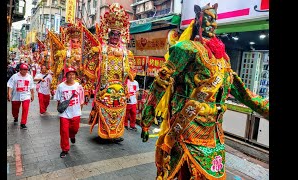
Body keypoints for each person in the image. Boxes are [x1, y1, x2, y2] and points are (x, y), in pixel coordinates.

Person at [140, 3, 269, 179]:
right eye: (209, 20)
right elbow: (161, 81)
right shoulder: (187, 49)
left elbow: (242, 92)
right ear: (198, 21)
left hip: (214, 132)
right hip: (188, 127)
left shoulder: (223, 60)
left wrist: (265, 108)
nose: (213, 25)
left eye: (215, 21)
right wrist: (147, 118)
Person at [84, 3, 137, 142]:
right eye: (112, 33)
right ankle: (106, 133)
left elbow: (132, 73)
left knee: (119, 111)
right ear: (108, 34)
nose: (115, 36)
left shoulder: (127, 52)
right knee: (105, 109)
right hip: (105, 88)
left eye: (117, 34)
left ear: (121, 35)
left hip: (120, 89)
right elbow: (90, 68)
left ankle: (116, 134)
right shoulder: (101, 50)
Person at [54, 67, 84, 158]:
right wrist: (59, 110)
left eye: (73, 74)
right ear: (66, 76)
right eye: (69, 74)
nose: (71, 76)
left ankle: (72, 135)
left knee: (75, 129)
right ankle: (65, 149)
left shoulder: (78, 86)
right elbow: (58, 100)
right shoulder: (61, 86)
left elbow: (81, 100)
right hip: (64, 113)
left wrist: (79, 110)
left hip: (76, 112)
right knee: (64, 131)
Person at [7, 63, 35, 130]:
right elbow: (10, 86)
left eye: (26, 70)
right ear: (20, 70)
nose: (25, 71)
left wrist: (32, 95)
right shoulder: (14, 76)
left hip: (26, 95)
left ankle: (23, 123)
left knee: (25, 109)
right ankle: (15, 116)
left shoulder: (29, 77)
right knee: (15, 109)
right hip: (16, 95)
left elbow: (31, 87)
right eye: (23, 70)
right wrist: (9, 94)